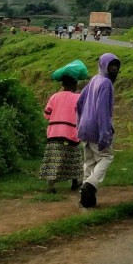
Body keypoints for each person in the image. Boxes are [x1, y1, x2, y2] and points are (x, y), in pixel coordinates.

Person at [76, 53, 119, 206]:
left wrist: (79, 123)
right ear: (104, 65)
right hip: (96, 128)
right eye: (111, 65)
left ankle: (85, 198)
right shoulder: (106, 83)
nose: (114, 68)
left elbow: (79, 102)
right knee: (106, 157)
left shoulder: (94, 79)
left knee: (89, 162)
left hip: (84, 128)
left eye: (116, 65)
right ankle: (90, 185)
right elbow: (103, 112)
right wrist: (105, 134)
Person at [40, 74, 82, 194]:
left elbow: (47, 114)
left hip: (54, 132)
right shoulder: (78, 97)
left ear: (62, 85)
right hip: (70, 132)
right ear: (75, 84)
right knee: (73, 158)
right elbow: (81, 114)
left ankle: (51, 186)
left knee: (54, 159)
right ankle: (75, 182)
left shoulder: (54, 97)